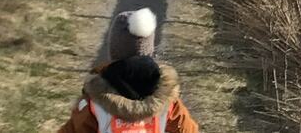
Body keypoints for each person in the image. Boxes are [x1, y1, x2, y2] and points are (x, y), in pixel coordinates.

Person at [58, 8, 199, 133]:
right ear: (149, 50)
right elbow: (189, 130)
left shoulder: (95, 102)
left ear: (114, 51)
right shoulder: (167, 98)